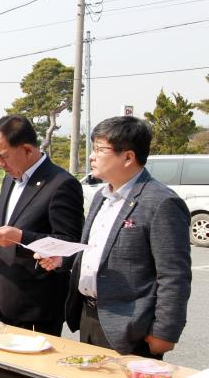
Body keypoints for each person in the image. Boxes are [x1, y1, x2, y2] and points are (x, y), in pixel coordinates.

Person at [37, 116, 191, 358]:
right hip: (88, 316)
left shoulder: (161, 202)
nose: (91, 156)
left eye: (100, 149)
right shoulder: (102, 196)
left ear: (128, 157)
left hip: (131, 327)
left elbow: (174, 276)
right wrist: (62, 260)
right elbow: (95, 250)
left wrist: (164, 334)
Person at [0, 115, 83, 335]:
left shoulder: (61, 184)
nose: (0, 164)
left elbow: (69, 242)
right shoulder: (11, 177)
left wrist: (21, 237)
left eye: (3, 156)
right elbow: (6, 224)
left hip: (36, 305)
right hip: (2, 294)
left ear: (27, 149)